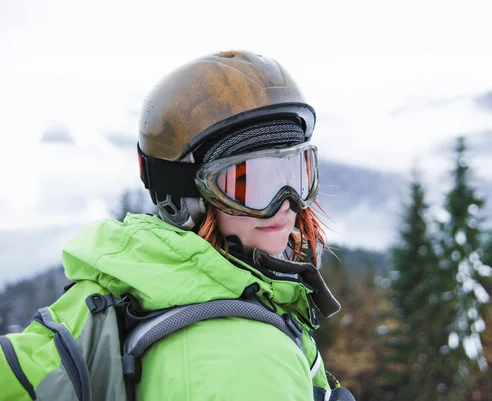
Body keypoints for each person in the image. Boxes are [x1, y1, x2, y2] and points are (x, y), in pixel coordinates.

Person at [0, 50, 355, 400]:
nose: (285, 205)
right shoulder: (246, 359)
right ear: (184, 198)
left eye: (296, 172)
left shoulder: (134, 281)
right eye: (250, 183)